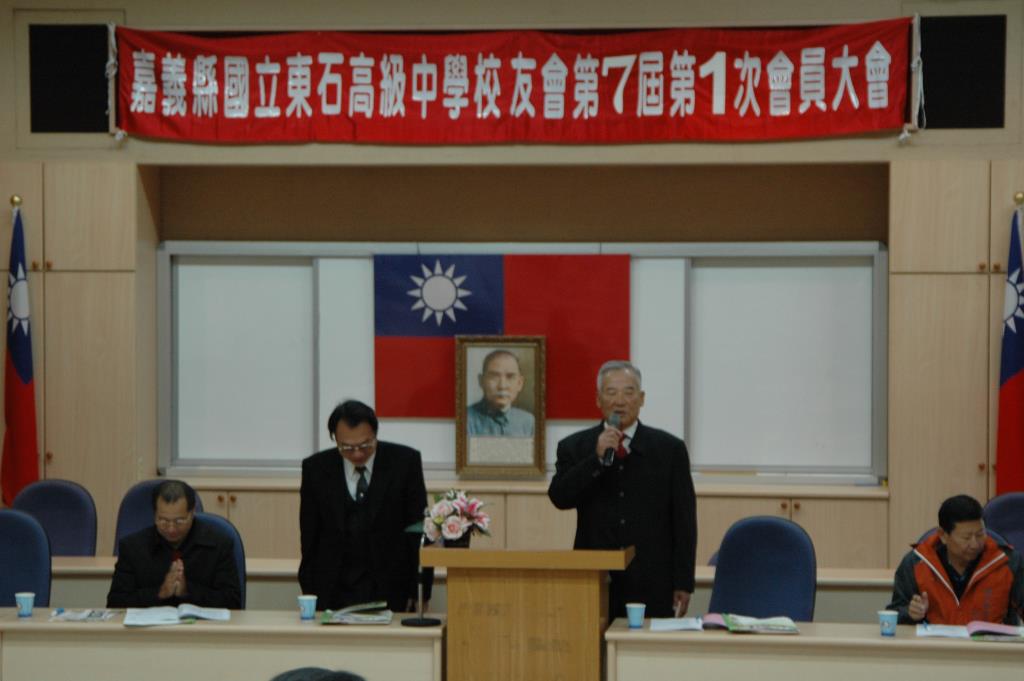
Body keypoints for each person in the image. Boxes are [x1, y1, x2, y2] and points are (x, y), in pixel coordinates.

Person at [548, 360, 696, 619]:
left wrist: (683, 581)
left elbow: (684, 519)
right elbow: (560, 497)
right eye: (611, 392)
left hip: (653, 578)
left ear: (641, 398)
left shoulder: (669, 449)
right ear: (598, 399)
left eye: (628, 392)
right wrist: (595, 459)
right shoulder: (574, 446)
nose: (620, 401)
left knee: (646, 644)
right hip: (594, 576)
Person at [299, 399, 432, 612]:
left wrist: (421, 591)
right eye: (347, 447)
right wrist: (310, 593)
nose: (357, 454)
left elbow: (420, 531)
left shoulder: (405, 463)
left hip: (392, 589)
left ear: (375, 434)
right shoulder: (316, 469)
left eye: (365, 445)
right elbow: (309, 538)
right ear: (335, 439)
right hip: (332, 590)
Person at [888, 494, 1024, 625]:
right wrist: (910, 613)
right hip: (935, 641)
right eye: (966, 537)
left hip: (992, 641)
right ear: (943, 535)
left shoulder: (1008, 562)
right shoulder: (916, 563)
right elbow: (894, 614)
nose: (975, 544)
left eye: (980, 534)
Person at [107, 480, 241, 608]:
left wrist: (188, 590)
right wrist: (160, 592)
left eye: (179, 521)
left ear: (192, 513)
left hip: (202, 624)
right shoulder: (132, 548)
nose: (171, 529)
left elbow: (233, 602)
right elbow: (115, 602)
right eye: (163, 520)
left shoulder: (219, 545)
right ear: (154, 514)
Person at [466, 349, 535, 437]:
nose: (502, 386)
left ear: (520, 383)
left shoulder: (528, 421)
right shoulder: (465, 419)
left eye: (510, 377)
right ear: (481, 381)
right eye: (494, 377)